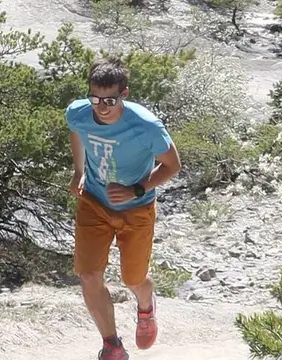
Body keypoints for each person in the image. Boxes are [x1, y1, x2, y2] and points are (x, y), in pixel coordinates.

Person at [67, 57, 182, 360]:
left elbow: (172, 165)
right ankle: (112, 345)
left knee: (133, 279)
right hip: (94, 202)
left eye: (109, 100)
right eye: (95, 98)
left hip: (137, 209)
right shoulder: (78, 113)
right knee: (89, 275)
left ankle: (146, 307)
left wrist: (137, 188)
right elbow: (76, 132)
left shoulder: (145, 125)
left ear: (124, 94)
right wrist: (78, 172)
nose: (101, 106)